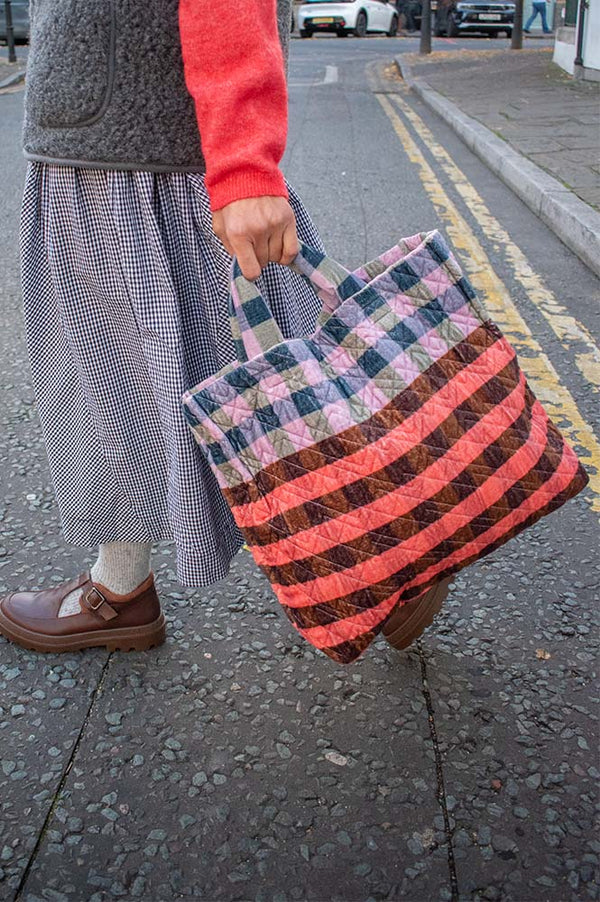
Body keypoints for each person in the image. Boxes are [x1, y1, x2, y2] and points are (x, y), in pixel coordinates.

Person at [0, 0, 448, 656]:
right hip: (101, 146)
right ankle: (120, 583)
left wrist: (244, 168)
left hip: (147, 158)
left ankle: (391, 550)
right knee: (117, 398)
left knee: (272, 384)